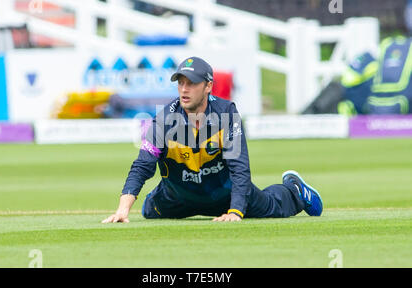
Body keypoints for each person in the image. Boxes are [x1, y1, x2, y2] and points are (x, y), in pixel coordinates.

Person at [102, 57, 323, 223]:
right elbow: (142, 165)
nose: (184, 89)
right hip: (178, 197)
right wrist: (122, 209)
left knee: (274, 209)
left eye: (192, 83)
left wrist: (236, 212)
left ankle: (294, 189)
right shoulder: (163, 120)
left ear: (208, 86)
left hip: (225, 196)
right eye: (180, 83)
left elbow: (239, 168)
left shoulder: (226, 113)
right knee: (149, 211)